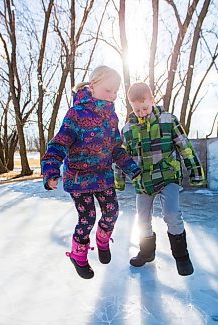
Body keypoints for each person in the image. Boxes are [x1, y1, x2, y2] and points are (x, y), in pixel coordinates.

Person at [41, 66, 141, 279]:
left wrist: (131, 168)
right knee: (88, 217)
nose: (113, 96)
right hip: (79, 178)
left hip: (103, 176)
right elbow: (59, 143)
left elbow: (115, 148)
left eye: (116, 92)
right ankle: (78, 255)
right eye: (108, 90)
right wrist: (50, 170)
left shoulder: (111, 116)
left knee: (112, 212)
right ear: (93, 86)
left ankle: (103, 239)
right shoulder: (76, 113)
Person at [114, 82, 206, 276]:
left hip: (168, 176)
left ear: (152, 100)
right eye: (136, 109)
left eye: (145, 107)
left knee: (172, 214)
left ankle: (182, 257)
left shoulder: (168, 120)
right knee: (142, 219)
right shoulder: (128, 129)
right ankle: (146, 253)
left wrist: (195, 172)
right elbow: (121, 157)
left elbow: (184, 146)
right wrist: (119, 179)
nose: (141, 112)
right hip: (143, 181)